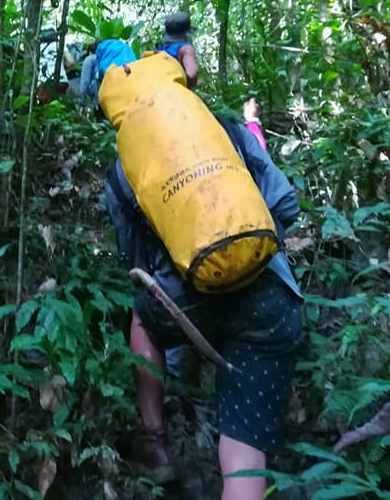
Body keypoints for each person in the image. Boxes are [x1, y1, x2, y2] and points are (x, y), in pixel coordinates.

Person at [105, 116, 302, 500]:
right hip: (271, 298)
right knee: (244, 458)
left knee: (143, 318)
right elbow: (285, 204)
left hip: (186, 301)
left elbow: (135, 264)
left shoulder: (123, 166)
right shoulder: (227, 129)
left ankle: (153, 441)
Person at [79, 38, 137, 109]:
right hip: (132, 74)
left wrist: (81, 102)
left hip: (111, 91)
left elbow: (85, 82)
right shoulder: (117, 46)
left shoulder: (91, 58)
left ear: (90, 52)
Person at [155, 11, 198, 90]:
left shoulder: (157, 52)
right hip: (175, 95)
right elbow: (191, 75)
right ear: (187, 33)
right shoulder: (185, 49)